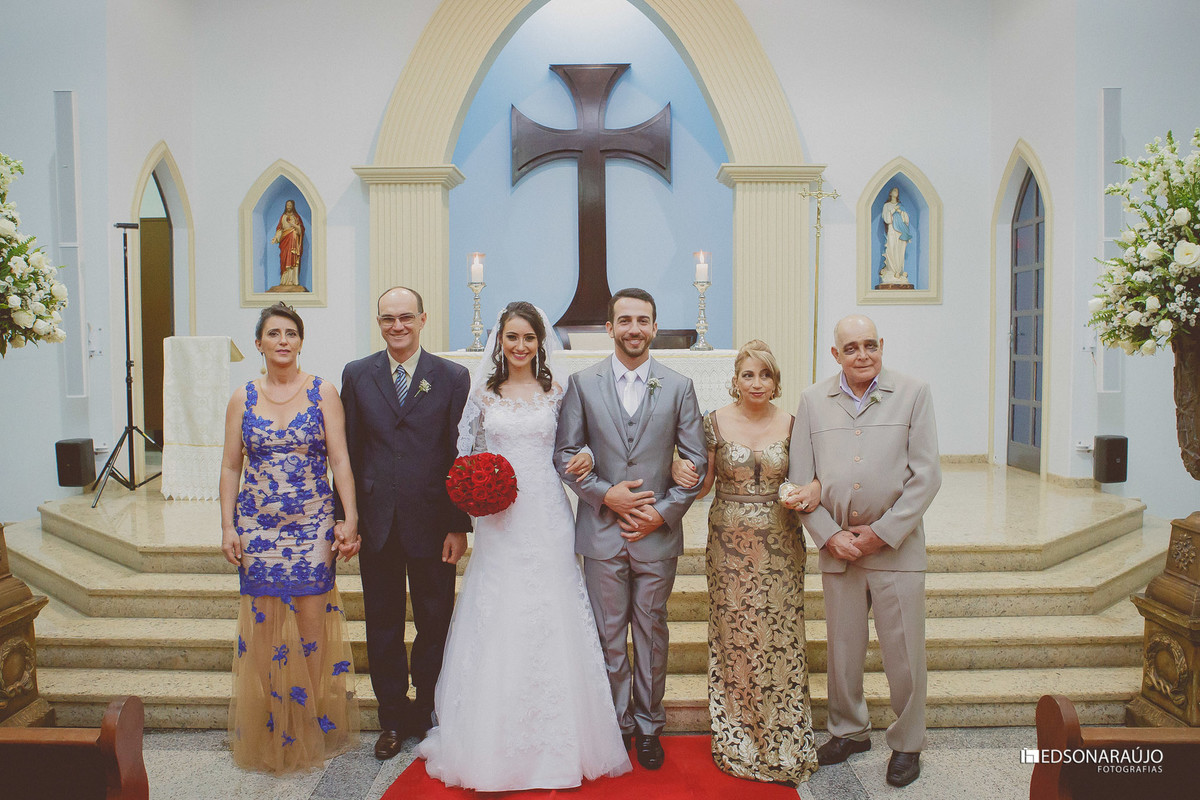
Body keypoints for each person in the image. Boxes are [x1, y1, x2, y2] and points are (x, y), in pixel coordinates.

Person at [418, 301, 632, 791]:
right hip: (499, 521)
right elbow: (465, 454)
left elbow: (579, 445)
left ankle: (558, 737)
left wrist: (583, 459)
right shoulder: (483, 394)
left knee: (550, 609)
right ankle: (489, 737)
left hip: (547, 515)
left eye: (528, 338)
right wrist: (474, 491)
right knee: (499, 611)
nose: (520, 346)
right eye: (511, 337)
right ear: (500, 342)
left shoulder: (559, 391)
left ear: (541, 342)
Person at [783, 314, 941, 788]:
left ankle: (908, 743)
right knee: (844, 650)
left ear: (881, 346)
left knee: (904, 653)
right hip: (839, 549)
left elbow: (926, 476)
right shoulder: (813, 401)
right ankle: (849, 731)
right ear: (836, 355)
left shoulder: (913, 393)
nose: (862, 355)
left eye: (870, 345)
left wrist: (883, 532)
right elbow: (799, 481)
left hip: (896, 547)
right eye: (851, 348)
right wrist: (829, 535)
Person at [554, 288, 708, 771]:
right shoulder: (582, 383)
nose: (634, 329)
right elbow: (564, 454)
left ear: (655, 327)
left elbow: (697, 462)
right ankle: (616, 723)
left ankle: (648, 725)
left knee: (652, 631)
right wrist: (605, 494)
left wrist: (662, 512)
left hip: (656, 535)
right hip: (601, 532)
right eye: (625, 320)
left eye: (643, 320)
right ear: (609, 328)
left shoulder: (678, 385)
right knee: (607, 634)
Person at [219, 301, 361, 774]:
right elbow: (230, 465)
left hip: (311, 524)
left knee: (310, 626)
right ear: (258, 342)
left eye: (291, 333)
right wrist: (227, 525)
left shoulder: (323, 392)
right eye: (273, 333)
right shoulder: (243, 397)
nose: (283, 340)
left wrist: (350, 518)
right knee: (262, 629)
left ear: (301, 341)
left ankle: (309, 717)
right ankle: (274, 715)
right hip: (257, 526)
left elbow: (340, 459)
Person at [671, 340, 821, 785]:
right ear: (734, 381)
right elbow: (702, 486)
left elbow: (811, 478)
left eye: (765, 375)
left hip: (781, 543)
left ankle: (784, 730)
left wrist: (807, 489)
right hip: (729, 548)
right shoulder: (714, 422)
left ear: (776, 382)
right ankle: (738, 732)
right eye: (748, 375)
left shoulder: (795, 424)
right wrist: (678, 469)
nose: (757, 383)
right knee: (736, 634)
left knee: (780, 633)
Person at [336, 286, 471, 760]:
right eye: (388, 319)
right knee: (384, 625)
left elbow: (460, 453)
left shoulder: (453, 377)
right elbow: (347, 451)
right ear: (379, 322)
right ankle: (392, 716)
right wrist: (345, 518)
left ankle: (429, 708)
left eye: (406, 318)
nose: (397, 326)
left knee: (435, 621)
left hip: (434, 522)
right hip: (377, 522)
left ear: (422, 319)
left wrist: (458, 525)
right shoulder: (357, 375)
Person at [880, 187, 912, 285]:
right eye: (894, 190)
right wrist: (894, 210)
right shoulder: (887, 205)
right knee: (891, 249)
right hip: (892, 230)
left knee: (899, 250)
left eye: (897, 191)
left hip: (900, 231)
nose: (896, 192)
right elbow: (887, 219)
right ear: (890, 193)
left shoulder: (901, 206)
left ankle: (898, 271)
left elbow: (906, 220)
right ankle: (891, 270)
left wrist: (901, 212)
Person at [271, 199, 305, 287]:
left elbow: (300, 231)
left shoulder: (296, 217)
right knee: (284, 259)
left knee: (293, 259)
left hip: (293, 242)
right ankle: (285, 281)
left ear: (293, 206)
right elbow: (280, 229)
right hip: (285, 241)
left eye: (290, 205)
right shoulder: (283, 217)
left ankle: (293, 281)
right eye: (287, 205)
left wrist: (293, 225)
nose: (288, 207)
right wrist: (276, 238)